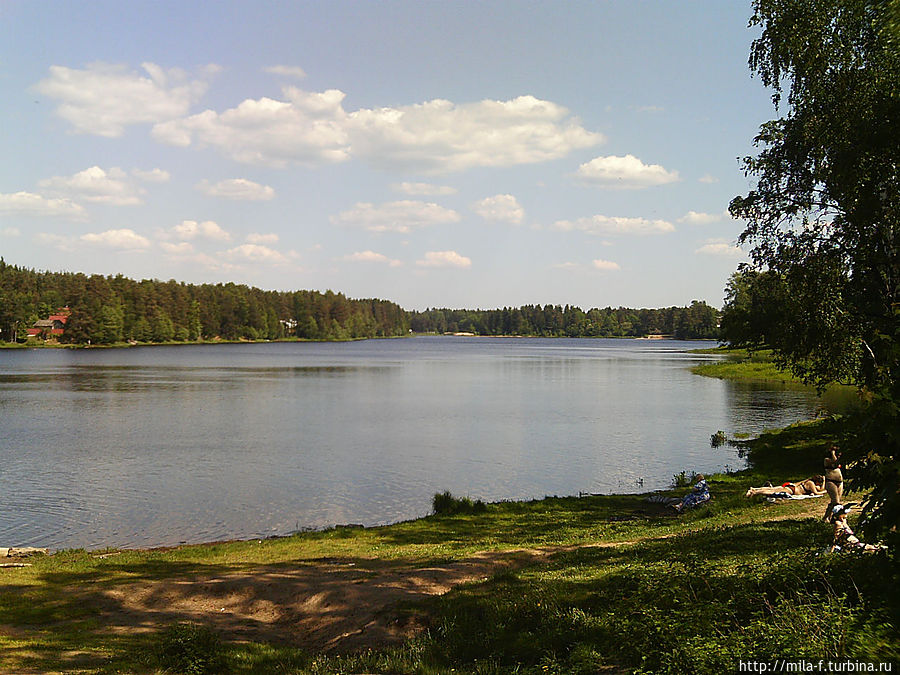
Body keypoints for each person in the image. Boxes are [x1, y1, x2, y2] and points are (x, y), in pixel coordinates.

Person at [745, 475, 825, 498]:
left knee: (772, 489)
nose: (819, 485)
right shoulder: (811, 484)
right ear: (817, 482)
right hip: (792, 490)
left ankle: (754, 489)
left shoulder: (808, 482)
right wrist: (827, 491)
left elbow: (820, 489)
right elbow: (817, 492)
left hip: (791, 487)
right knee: (772, 491)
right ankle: (755, 492)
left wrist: (824, 481)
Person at [822, 445, 844, 522]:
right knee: (836, 502)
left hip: (839, 482)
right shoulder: (827, 460)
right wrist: (833, 453)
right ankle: (835, 518)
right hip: (831, 481)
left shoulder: (838, 460)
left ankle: (827, 517)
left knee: (835, 501)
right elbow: (834, 461)